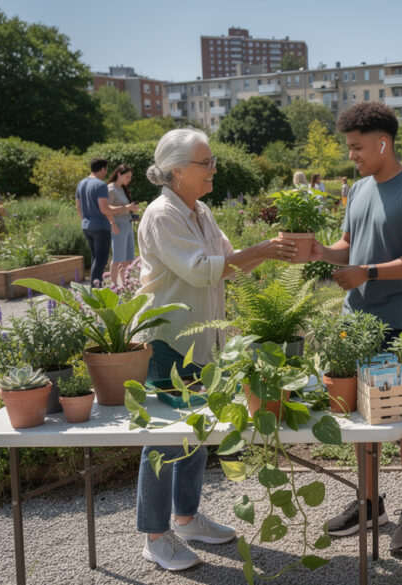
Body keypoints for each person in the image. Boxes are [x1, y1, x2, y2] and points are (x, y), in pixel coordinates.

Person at [135, 128, 298, 571]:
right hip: (170, 340)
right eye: (205, 163)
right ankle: (154, 535)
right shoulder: (162, 214)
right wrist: (263, 250)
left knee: (198, 433)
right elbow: (203, 270)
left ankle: (185, 518)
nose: (213, 169)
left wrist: (269, 255)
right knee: (165, 439)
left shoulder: (201, 210)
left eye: (212, 161)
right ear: (176, 171)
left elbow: (228, 259)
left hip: (204, 340)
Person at [308, 102, 402, 555]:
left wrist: (369, 273)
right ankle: (369, 503)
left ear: (383, 142)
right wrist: (321, 251)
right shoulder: (359, 189)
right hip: (355, 325)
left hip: (399, 327)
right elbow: (349, 247)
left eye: (358, 147)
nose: (353, 156)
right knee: (364, 419)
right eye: (350, 147)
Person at [75, 159, 114, 286]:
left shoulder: (81, 183)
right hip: (101, 227)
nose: (106, 172)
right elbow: (104, 209)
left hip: (87, 226)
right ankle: (96, 291)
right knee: (101, 260)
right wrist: (122, 211)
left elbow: (78, 206)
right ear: (102, 168)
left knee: (95, 259)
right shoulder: (100, 185)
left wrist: (85, 220)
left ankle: (95, 289)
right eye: (106, 169)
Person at [106, 165, 141, 285]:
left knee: (128, 258)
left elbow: (123, 208)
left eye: (130, 177)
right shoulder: (110, 189)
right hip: (118, 226)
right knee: (118, 258)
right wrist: (113, 224)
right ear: (119, 174)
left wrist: (131, 210)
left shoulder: (122, 188)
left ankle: (126, 283)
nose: (129, 180)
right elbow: (107, 209)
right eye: (127, 177)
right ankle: (114, 285)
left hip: (127, 224)